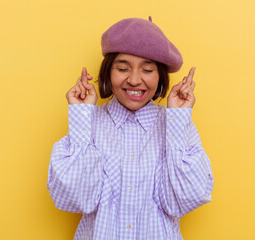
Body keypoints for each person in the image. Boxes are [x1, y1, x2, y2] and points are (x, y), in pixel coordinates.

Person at [47, 17, 214, 240]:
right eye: (123, 68)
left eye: (147, 69)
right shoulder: (88, 123)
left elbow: (183, 199)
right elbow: (76, 198)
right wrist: (81, 114)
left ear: (160, 76)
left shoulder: (175, 124)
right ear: (108, 72)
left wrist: (178, 116)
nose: (134, 80)